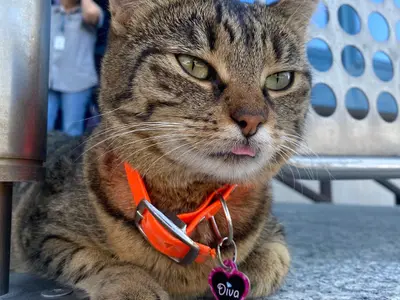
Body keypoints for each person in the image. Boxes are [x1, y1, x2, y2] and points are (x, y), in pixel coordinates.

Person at [47, 0, 104, 136]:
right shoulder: (50, 11)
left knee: (72, 130)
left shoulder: (87, 13)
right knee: (41, 128)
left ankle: (66, 157)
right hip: (49, 80)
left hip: (77, 81)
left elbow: (92, 13)